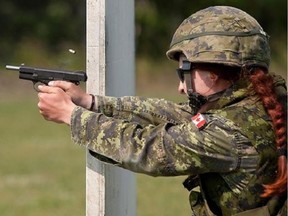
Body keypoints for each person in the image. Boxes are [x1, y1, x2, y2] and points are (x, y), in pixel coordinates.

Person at [37, 6, 287, 216]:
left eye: (184, 74)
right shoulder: (263, 102)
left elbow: (148, 148)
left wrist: (71, 115)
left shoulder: (227, 133)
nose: (180, 87)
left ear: (213, 73)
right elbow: (174, 114)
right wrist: (91, 102)